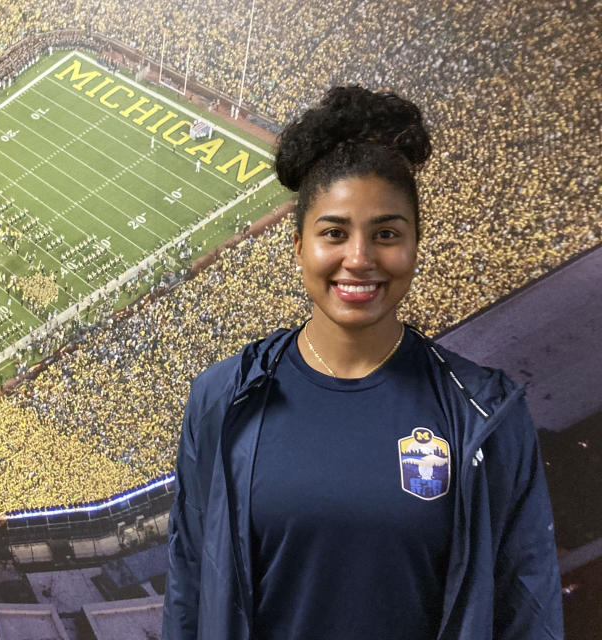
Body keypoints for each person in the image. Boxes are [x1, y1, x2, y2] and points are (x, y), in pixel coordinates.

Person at [162, 86, 564, 640]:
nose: (359, 258)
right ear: (298, 243)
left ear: (416, 244)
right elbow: (189, 587)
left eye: (386, 234)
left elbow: (527, 607)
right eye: (334, 232)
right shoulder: (223, 397)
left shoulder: (486, 412)